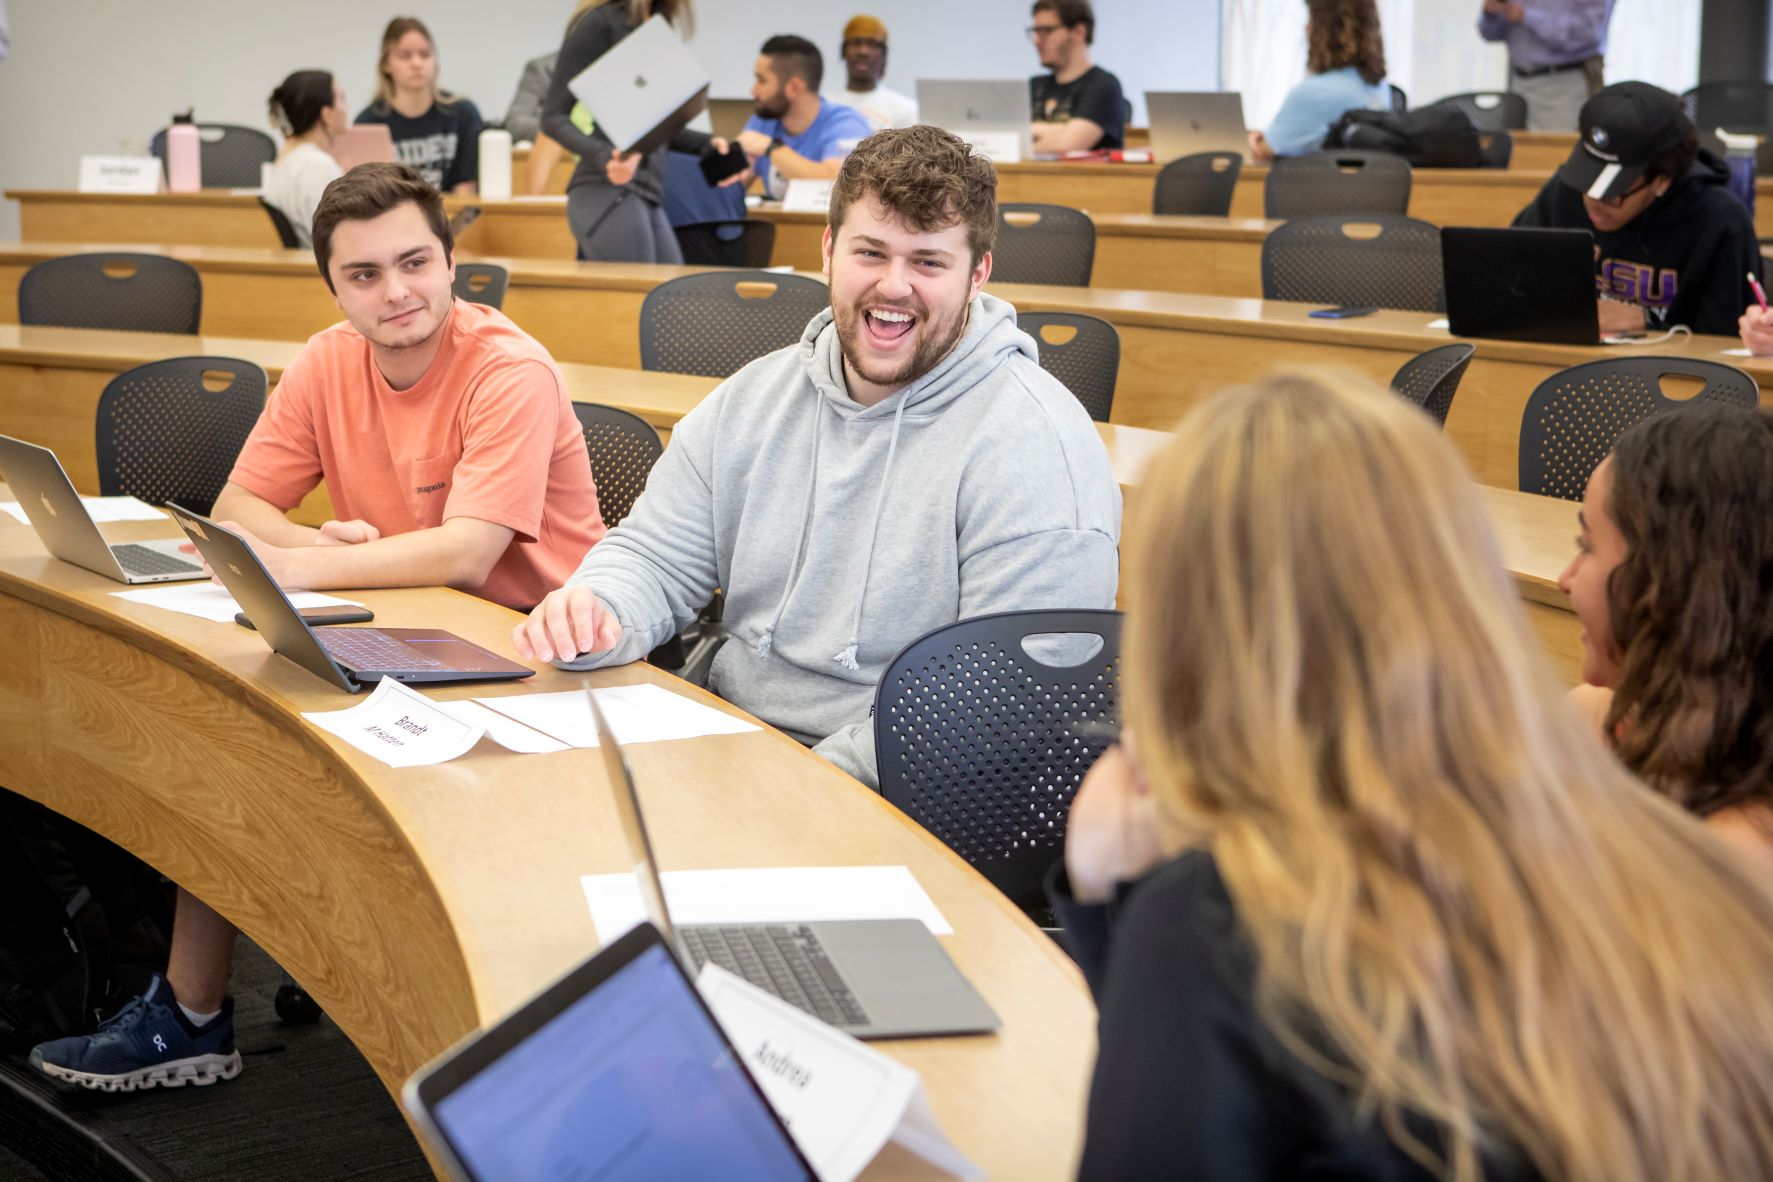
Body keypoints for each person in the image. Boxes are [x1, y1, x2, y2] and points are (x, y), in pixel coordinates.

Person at [1054, 371, 1773, 1180]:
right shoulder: (1664, 865)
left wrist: (1110, 898)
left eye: (1584, 543)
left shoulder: (1217, 921)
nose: (1567, 577)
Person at [26, 164, 603, 1093]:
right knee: (230, 718)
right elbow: (239, 501)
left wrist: (305, 564)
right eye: (364, 275)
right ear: (333, 286)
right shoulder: (329, 357)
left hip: (536, 655)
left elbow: (467, 550)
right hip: (410, 629)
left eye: (415, 262)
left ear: (453, 264)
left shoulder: (510, 371)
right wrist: (310, 539)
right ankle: (193, 1014)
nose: (396, 291)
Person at [514, 125, 1121, 789]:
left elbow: (993, 708)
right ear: (827, 251)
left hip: (897, 791)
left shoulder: (1034, 449)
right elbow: (655, 555)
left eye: (927, 262)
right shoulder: (754, 397)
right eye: (870, 252)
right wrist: (599, 608)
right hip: (726, 746)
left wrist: (799, 786)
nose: (894, 286)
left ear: (977, 273)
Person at [1560, 407, 1773, 875]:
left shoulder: (1732, 857)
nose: (1565, 579)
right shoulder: (1601, 715)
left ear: (1670, 583)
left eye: (1586, 546)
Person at [1513, 81, 1761, 338]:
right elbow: (1510, 277)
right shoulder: (1563, 192)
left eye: (1612, 193)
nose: (1592, 202)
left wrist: (1648, 321)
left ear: (1661, 181)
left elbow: (1728, 342)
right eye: (1585, 183)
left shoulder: (1720, 222)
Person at [542, 0, 730, 263]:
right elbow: (552, 117)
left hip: (646, 192)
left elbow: (654, 128)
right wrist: (606, 156)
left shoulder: (658, 24)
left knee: (668, 296)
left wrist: (706, 145)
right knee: (645, 295)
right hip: (604, 189)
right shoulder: (601, 22)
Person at [736, 35, 875, 201]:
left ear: (793, 87)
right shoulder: (764, 120)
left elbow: (838, 182)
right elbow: (733, 184)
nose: (753, 91)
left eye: (762, 80)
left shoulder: (846, 124)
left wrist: (771, 149)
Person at [1248, 0, 1390, 161]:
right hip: (1363, 186)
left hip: (1313, 185)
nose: (1306, 28)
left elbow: (1263, 151)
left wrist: (1253, 140)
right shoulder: (1379, 87)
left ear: (1327, 30)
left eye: (1311, 20)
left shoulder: (1313, 93)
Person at [355, 17, 483, 195]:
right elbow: (368, 195)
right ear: (386, 64)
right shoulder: (368, 123)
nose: (417, 64)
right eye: (405, 56)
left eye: (425, 54)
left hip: (449, 218)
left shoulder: (463, 113)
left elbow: (465, 190)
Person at [1479, 0, 1614, 132]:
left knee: (1557, 150)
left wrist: (1527, 16)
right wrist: (1491, 14)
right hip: (1518, 84)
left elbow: (1587, 34)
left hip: (1562, 86)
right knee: (1516, 151)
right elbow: (1489, 33)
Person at [1027, 0, 1125, 153]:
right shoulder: (1034, 85)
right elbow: (1006, 136)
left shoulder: (1104, 85)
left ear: (1079, 32)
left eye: (1047, 31)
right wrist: (1065, 129)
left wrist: (1029, 133)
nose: (1037, 41)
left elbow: (1068, 144)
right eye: (1036, 31)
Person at [264, 71, 347, 248]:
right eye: (341, 98)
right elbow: (338, 240)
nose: (346, 107)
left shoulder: (289, 159)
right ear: (327, 114)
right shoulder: (317, 165)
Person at [824, 15, 917, 131]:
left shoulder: (905, 110)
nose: (863, 51)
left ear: (883, 54)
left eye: (872, 44)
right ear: (843, 51)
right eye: (855, 43)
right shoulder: (824, 106)